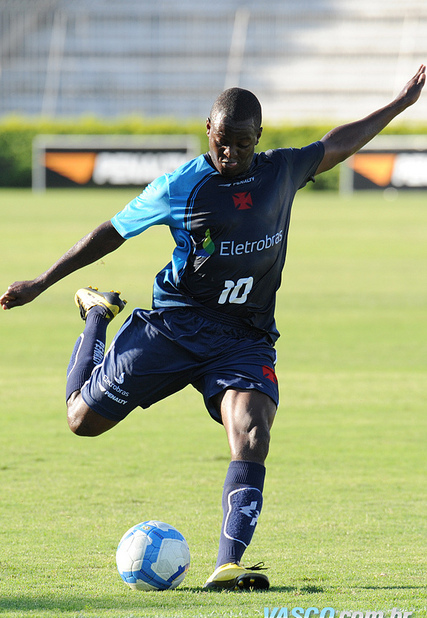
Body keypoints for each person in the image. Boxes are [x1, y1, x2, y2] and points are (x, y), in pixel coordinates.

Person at [1, 65, 425, 591]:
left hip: (244, 337)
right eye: (223, 141)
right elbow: (111, 232)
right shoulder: (180, 187)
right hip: (174, 325)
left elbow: (339, 143)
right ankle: (97, 315)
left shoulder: (282, 171)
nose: (231, 153)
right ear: (208, 129)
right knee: (81, 421)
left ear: (258, 137)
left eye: (243, 144)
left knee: (253, 432)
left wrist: (400, 104)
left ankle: (228, 565)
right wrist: (42, 282)